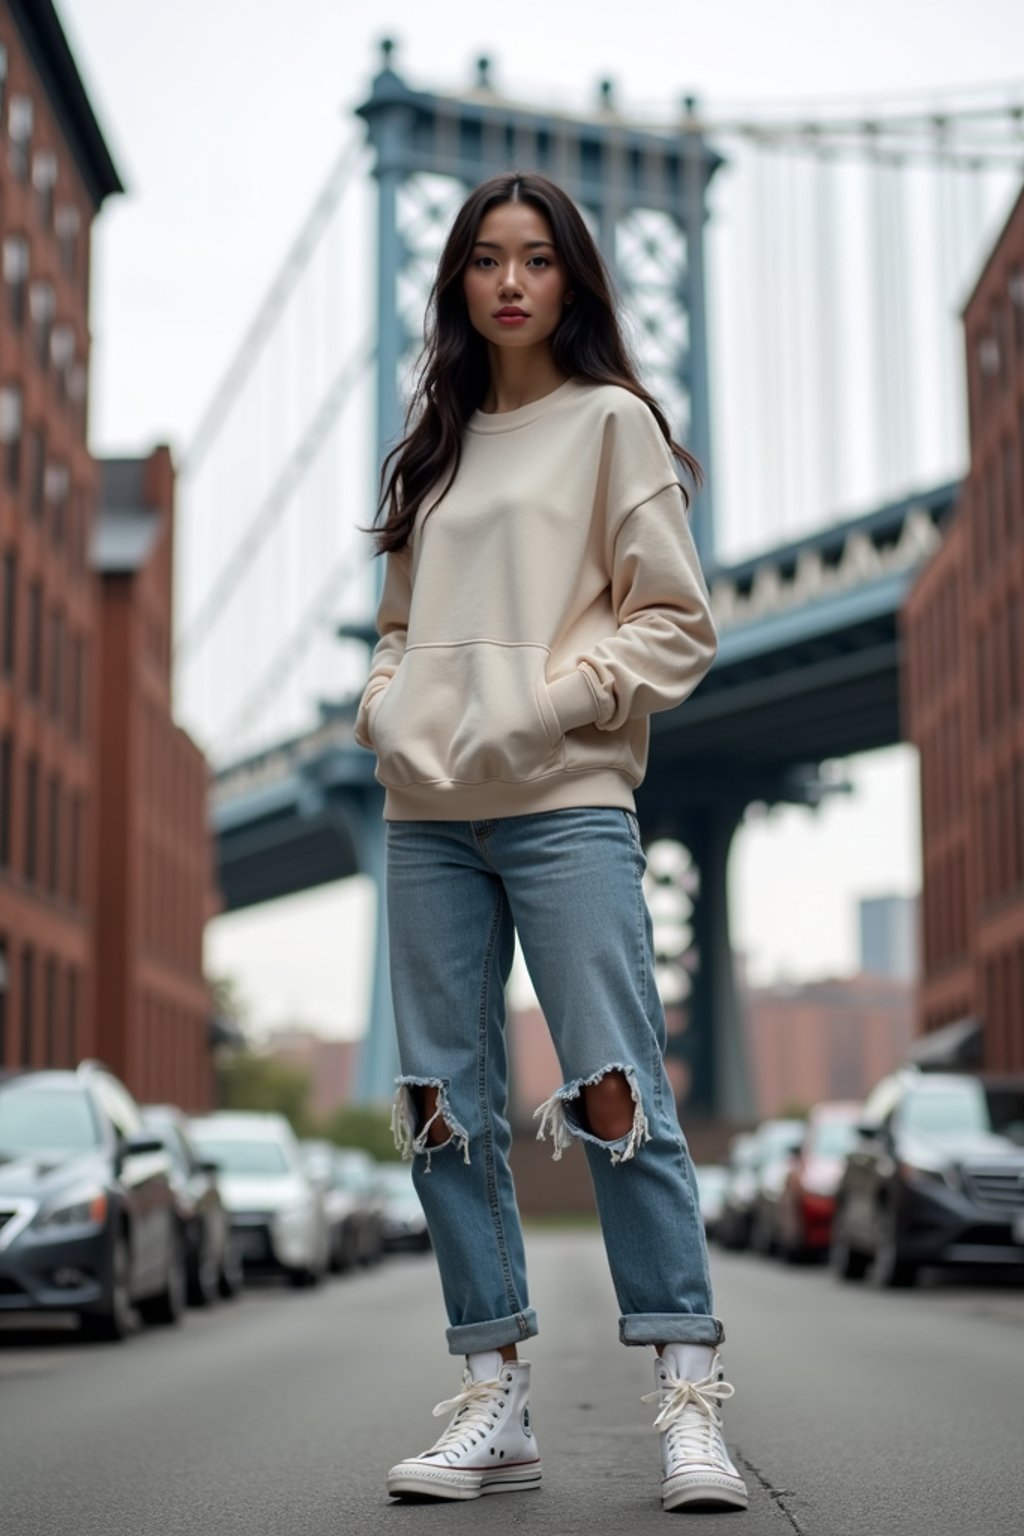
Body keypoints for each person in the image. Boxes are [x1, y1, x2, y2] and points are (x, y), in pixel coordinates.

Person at [354, 170, 748, 1515]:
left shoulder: (611, 425)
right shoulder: (440, 443)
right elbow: (397, 634)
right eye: (484, 259)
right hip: (426, 819)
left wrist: (546, 707)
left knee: (618, 1088)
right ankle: (494, 1395)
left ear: (573, 280)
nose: (509, 280)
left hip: (569, 802)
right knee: (436, 1106)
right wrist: (382, 710)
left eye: (535, 258)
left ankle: (688, 1398)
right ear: (459, 282)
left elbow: (675, 622)